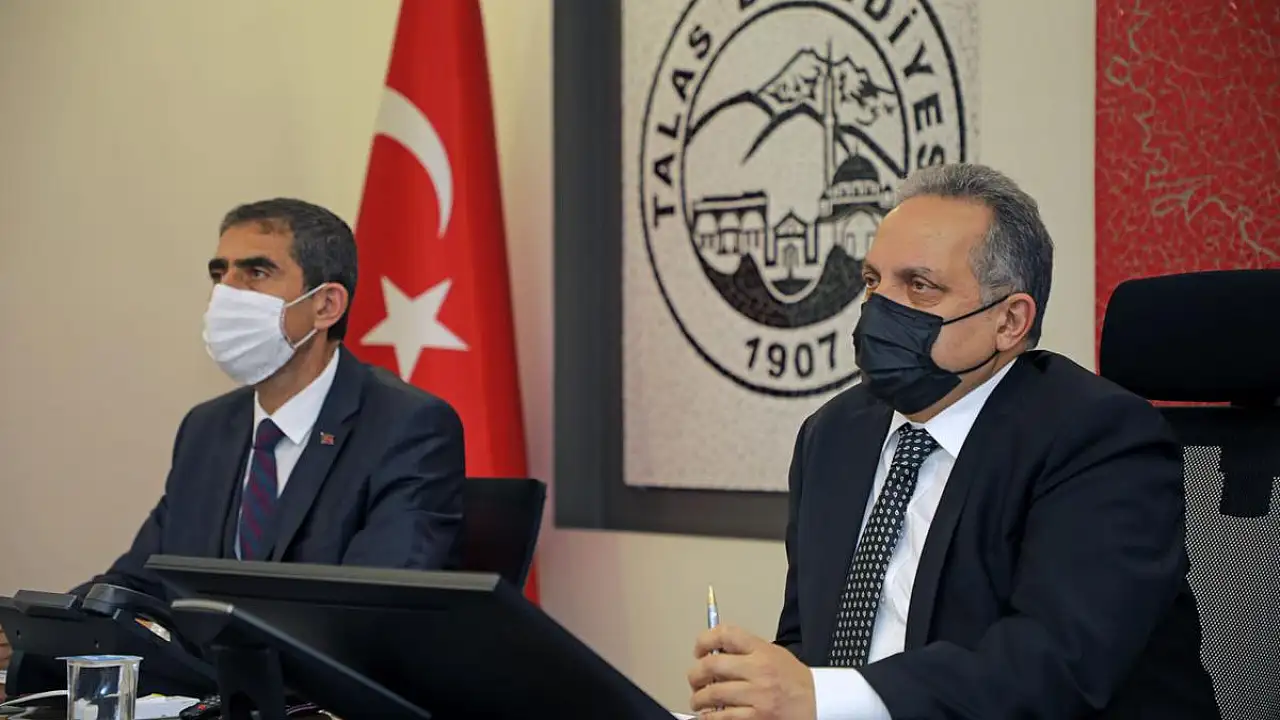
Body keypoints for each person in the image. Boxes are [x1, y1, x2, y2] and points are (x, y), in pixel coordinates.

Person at [686, 164, 1218, 719]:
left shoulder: (1099, 439)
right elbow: (810, 641)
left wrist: (825, 697)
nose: (878, 308)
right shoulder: (833, 435)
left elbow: (1051, 666)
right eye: (873, 281)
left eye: (919, 286)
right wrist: (760, 694)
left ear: (1009, 321)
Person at [0, 199, 465, 675]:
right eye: (219, 273)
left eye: (256, 272)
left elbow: (370, 613)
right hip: (209, 697)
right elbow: (141, 582)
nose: (227, 292)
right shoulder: (207, 428)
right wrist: (31, 636)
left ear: (325, 305)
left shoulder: (406, 426)